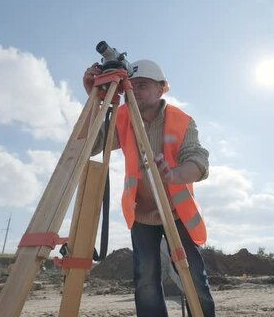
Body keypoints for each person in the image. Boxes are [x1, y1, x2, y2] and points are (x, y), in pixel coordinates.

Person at [83, 59, 215, 317]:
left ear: (161, 88)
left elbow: (198, 161)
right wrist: (95, 99)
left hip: (177, 214)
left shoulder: (182, 121)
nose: (135, 91)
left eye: (142, 85)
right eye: (131, 85)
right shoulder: (122, 118)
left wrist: (173, 174)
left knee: (195, 280)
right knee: (146, 282)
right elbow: (90, 143)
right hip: (142, 216)